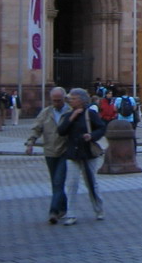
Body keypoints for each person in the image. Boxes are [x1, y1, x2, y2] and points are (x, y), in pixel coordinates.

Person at [56, 87, 106, 225]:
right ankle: (71, 214)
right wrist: (72, 117)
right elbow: (61, 131)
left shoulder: (90, 114)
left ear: (82, 100)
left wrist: (91, 136)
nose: (71, 101)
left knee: (91, 182)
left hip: (88, 153)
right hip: (72, 153)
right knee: (72, 184)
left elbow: (101, 128)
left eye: (74, 98)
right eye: (70, 98)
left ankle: (99, 209)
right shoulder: (68, 114)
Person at [25, 87, 71, 224]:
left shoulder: (70, 112)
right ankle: (63, 207)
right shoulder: (46, 112)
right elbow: (37, 128)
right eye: (54, 100)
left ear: (64, 99)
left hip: (65, 151)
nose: (56, 103)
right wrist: (30, 142)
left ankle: (53, 211)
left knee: (58, 181)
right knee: (55, 182)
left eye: (59, 100)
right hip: (50, 151)